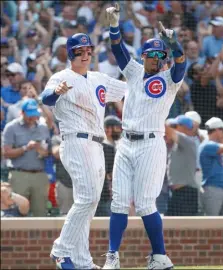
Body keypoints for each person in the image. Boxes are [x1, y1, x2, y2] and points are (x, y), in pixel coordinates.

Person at [103, 4, 186, 269]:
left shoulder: (169, 78)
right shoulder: (136, 71)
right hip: (125, 142)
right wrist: (114, 26)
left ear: (163, 57)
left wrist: (174, 44)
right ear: (144, 55)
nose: (154, 58)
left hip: (151, 144)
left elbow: (181, 65)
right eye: (150, 54)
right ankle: (112, 256)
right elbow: (118, 49)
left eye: (159, 54)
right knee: (118, 200)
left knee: (145, 204)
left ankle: (160, 256)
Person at [40, 33, 127, 269]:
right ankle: (61, 250)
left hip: (97, 144)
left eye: (89, 50)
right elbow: (45, 98)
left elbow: (129, 89)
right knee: (88, 199)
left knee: (89, 203)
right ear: (71, 53)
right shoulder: (62, 76)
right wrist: (57, 90)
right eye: (80, 50)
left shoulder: (99, 78)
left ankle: (82, 261)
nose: (86, 54)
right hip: (76, 141)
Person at [2, 98, 50, 217]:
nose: (32, 118)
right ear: (22, 113)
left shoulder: (42, 127)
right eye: (29, 115)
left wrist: (41, 150)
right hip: (19, 174)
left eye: (34, 115)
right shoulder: (11, 127)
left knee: (41, 213)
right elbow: (6, 153)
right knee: (16, 211)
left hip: (39, 174)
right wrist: (25, 148)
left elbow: (47, 152)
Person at [165, 115, 198, 216]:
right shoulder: (177, 145)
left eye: (174, 126)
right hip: (178, 193)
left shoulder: (188, 140)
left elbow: (167, 129)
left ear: (184, 128)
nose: (172, 128)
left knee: (184, 228)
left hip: (185, 194)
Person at [199, 117, 223, 216]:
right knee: (211, 224)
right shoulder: (207, 145)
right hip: (212, 188)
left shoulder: (215, 145)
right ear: (217, 130)